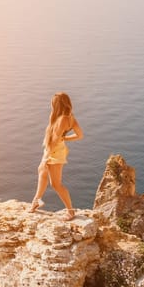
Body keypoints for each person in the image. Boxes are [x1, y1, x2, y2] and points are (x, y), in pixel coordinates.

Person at [28, 92, 83, 221]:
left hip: (54, 152)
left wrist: (46, 158)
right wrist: (65, 138)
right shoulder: (69, 117)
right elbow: (79, 135)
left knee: (56, 184)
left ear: (57, 104)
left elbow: (54, 141)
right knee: (42, 172)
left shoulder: (62, 119)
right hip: (55, 149)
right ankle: (36, 201)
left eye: (53, 103)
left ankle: (70, 211)